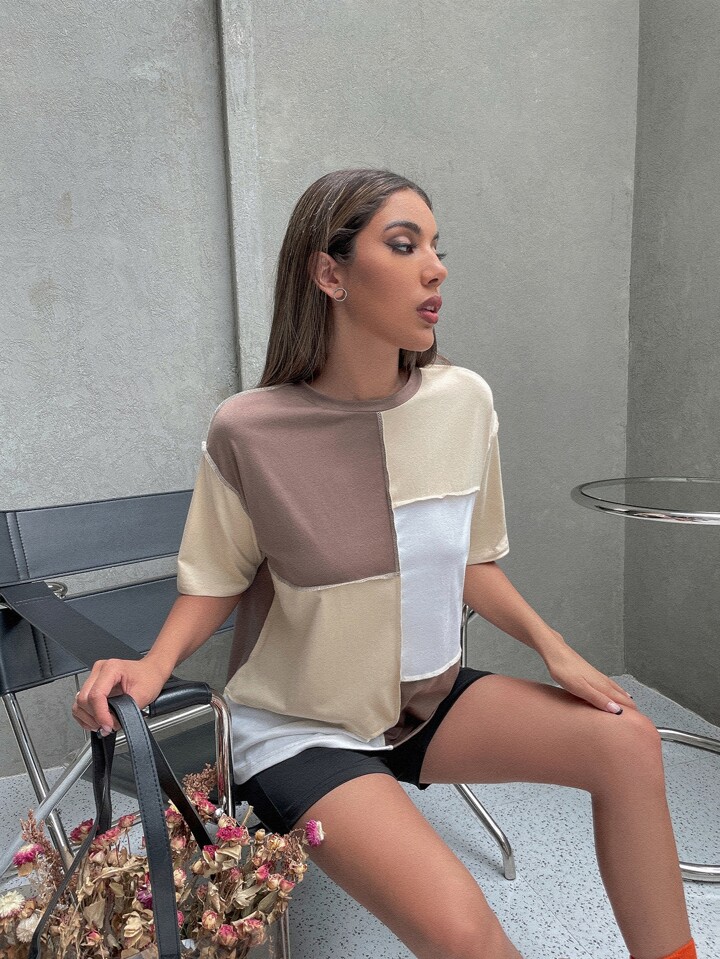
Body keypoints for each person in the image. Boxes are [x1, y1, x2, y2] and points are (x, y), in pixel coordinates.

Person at [73, 168, 697, 959]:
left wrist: (554, 647)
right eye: (404, 246)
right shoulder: (248, 429)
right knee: (464, 932)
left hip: (424, 701)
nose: (435, 269)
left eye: (437, 248)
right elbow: (218, 576)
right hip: (299, 726)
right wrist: (154, 665)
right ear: (329, 273)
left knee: (629, 740)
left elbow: (471, 560)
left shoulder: (464, 401)